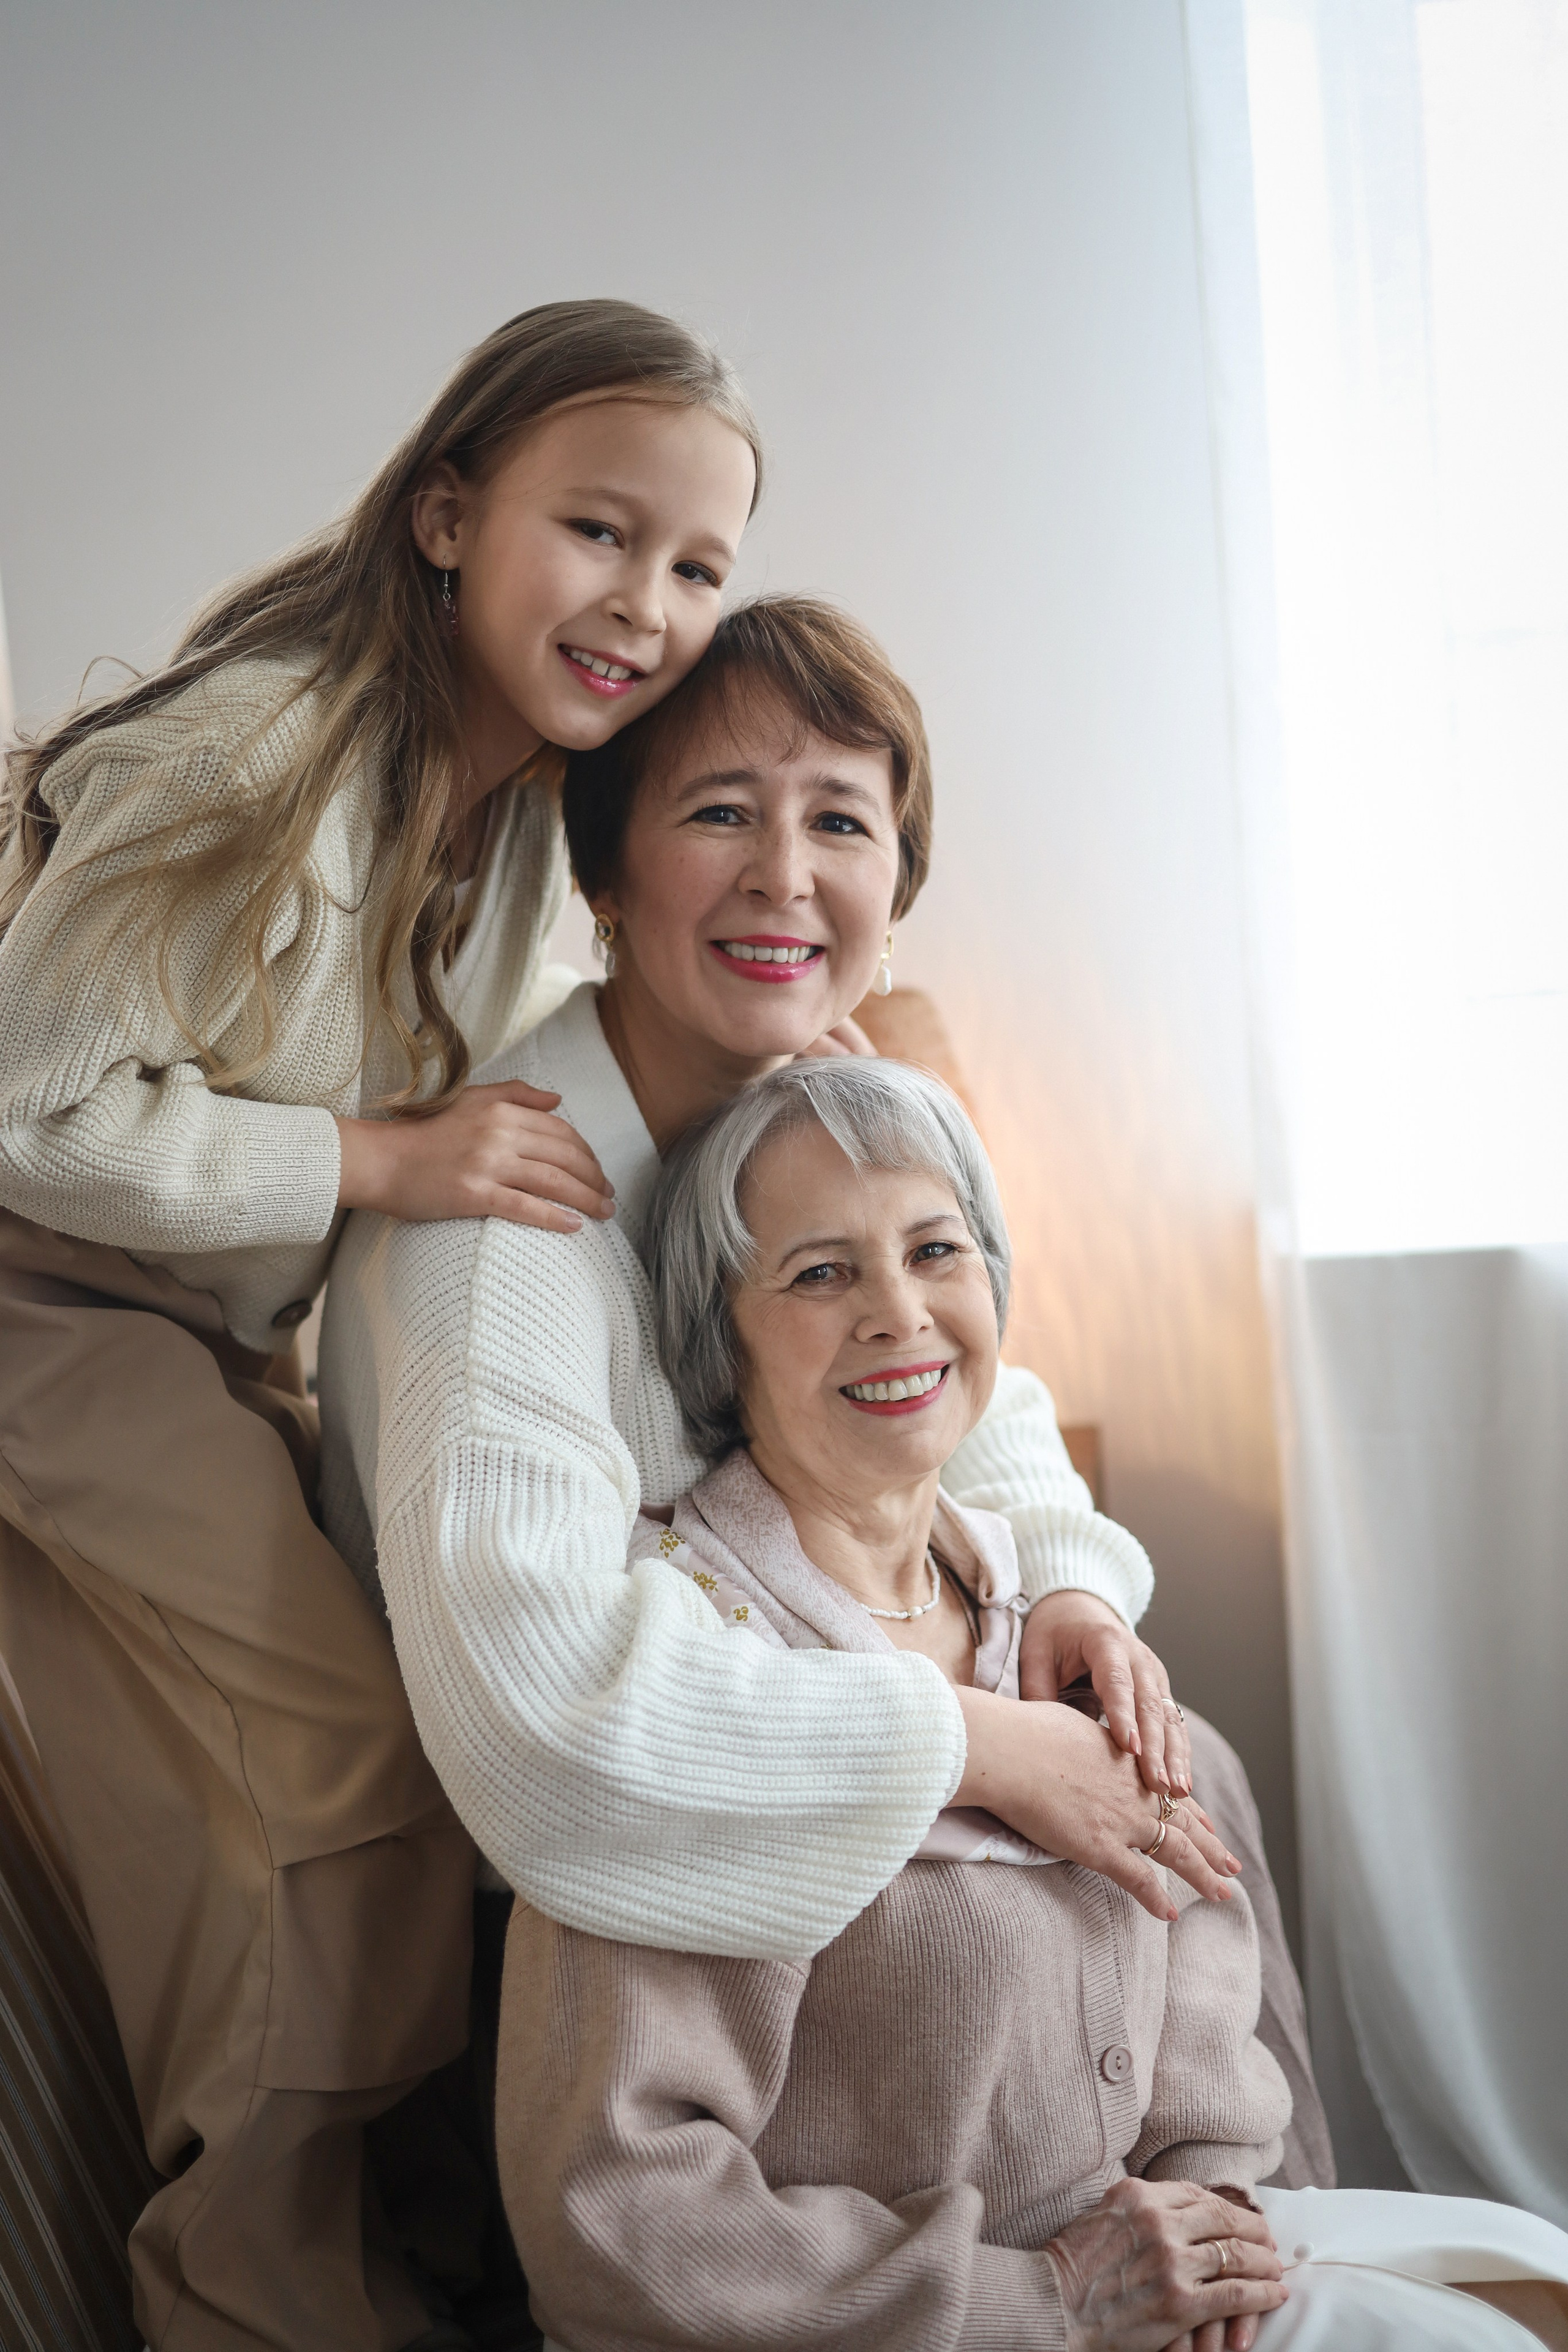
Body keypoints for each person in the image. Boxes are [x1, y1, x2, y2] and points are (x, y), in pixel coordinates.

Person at [0, 298, 761, 2352]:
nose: (649, 604)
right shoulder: (250, 753)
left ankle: (400, 2239)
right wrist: (377, 1161)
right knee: (339, 1775)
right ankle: (244, 2291)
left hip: (216, 1329)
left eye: (698, 564)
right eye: (600, 532)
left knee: (434, 1754)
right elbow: (29, 1106)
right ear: (447, 513)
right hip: (44, 1293)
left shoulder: (520, 817)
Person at [499, 1055, 1568, 2352]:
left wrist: (1201, 2205)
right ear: (717, 1332)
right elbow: (615, 2229)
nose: (899, 1313)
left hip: (1177, 2298)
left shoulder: (1049, 1624)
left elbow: (1202, 1972)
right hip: (918, 2328)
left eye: (935, 1251)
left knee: (1529, 2287)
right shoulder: (696, 1702)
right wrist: (1051, 2298)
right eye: (819, 1272)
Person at [319, 594, 1250, 1976]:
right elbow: (544, 1720)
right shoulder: (498, 1223)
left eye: (838, 821)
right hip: (608, 1923)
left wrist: (1065, 1593)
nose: (783, 877)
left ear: (898, 882)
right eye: (718, 814)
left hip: (841, 1732)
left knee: (1190, 1774)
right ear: (603, 879)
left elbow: (960, 1383)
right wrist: (978, 1742)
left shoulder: (825, 1107)